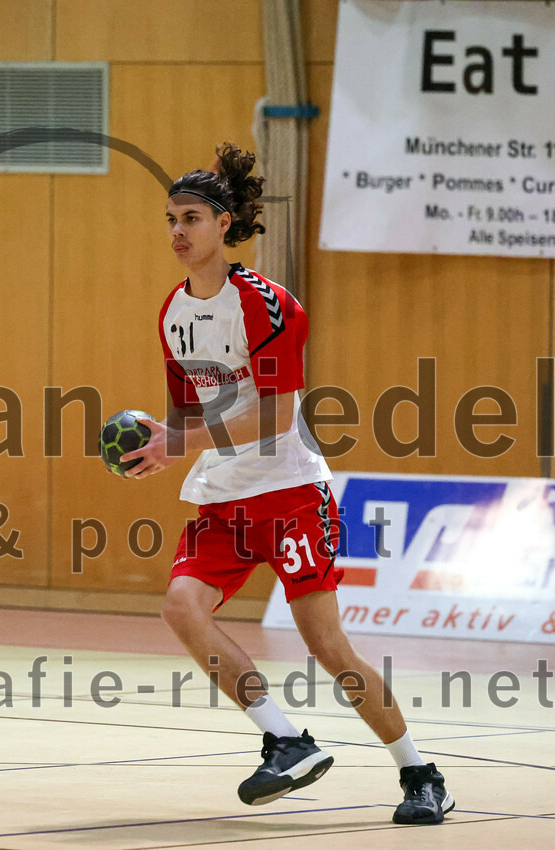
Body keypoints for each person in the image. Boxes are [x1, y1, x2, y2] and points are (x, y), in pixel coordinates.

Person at [120, 143, 455, 825]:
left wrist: (179, 440)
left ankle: (420, 772)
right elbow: (188, 410)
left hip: (290, 491)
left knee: (326, 644)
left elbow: (275, 415)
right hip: (221, 495)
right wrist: (161, 441)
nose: (177, 232)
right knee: (183, 607)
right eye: (169, 219)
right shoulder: (172, 313)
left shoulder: (268, 305)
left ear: (224, 224)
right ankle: (286, 739)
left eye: (190, 217)